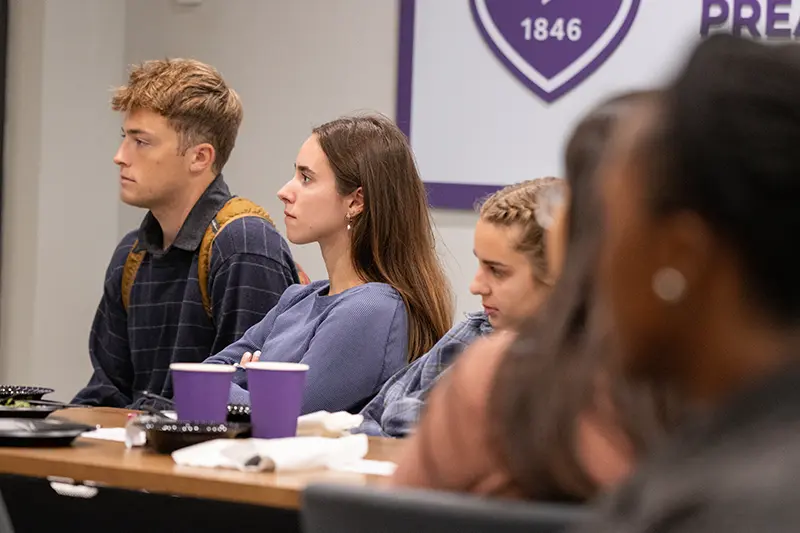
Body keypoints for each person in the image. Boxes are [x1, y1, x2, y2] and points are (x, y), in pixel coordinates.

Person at [390, 91, 681, 501]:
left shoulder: (496, 373)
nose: (476, 285)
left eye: (497, 270)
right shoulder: (712, 391)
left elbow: (396, 507)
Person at [575, 35, 800, 532]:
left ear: (681, 257)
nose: (593, 267)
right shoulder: (720, 451)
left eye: (608, 228)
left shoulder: (736, 511)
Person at [72, 59, 300, 409]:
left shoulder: (245, 246)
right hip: (143, 441)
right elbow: (107, 392)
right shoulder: (131, 254)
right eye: (124, 138)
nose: (120, 157)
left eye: (141, 142)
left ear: (200, 157)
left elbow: (245, 403)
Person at [204, 114, 454, 414]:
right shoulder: (297, 298)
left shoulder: (372, 308)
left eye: (306, 178)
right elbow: (200, 381)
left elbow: (287, 414)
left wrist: (245, 376)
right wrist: (256, 385)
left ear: (356, 202)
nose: (284, 192)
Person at [357, 178, 558, 438]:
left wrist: (405, 415)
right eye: (480, 264)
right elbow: (372, 416)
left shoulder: (569, 368)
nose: (475, 286)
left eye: (497, 271)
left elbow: (400, 415)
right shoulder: (473, 331)